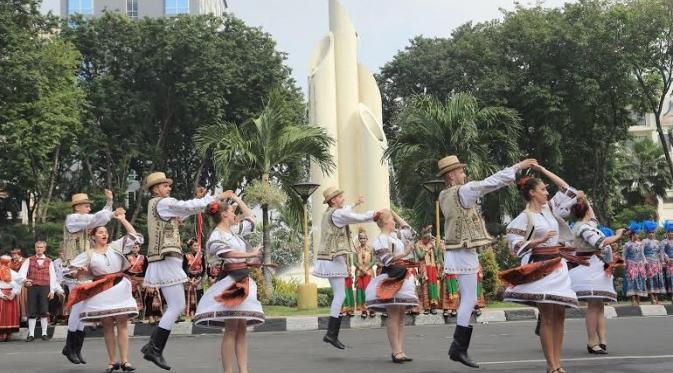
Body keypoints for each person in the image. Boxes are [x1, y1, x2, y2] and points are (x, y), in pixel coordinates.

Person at [437, 155, 538, 368]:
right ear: (452, 175)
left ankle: (459, 347)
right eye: (461, 171)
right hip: (463, 249)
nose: (464, 174)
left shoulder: (444, 194)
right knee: (469, 299)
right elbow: (490, 183)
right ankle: (458, 347)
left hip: (460, 248)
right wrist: (518, 167)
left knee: (469, 298)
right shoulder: (462, 191)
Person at [141, 172, 229, 370]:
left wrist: (200, 200)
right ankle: (154, 348)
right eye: (165, 185)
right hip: (166, 259)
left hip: (165, 259)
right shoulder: (162, 203)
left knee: (176, 305)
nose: (169, 188)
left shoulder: (159, 205)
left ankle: (152, 346)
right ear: (156, 189)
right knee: (176, 305)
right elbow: (185, 207)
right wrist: (215, 198)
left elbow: (183, 212)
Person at [501, 165, 580, 373]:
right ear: (532, 193)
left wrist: (542, 170)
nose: (547, 192)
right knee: (547, 315)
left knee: (560, 315)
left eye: (546, 189)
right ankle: (551, 365)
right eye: (543, 189)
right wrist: (538, 241)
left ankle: (558, 364)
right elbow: (514, 245)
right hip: (542, 267)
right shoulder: (525, 216)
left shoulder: (549, 209)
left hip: (558, 265)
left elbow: (568, 190)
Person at [193, 192, 264, 373]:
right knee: (232, 327)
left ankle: (243, 370)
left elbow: (251, 219)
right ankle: (228, 371)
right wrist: (251, 254)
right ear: (224, 215)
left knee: (241, 327)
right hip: (230, 280)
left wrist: (238, 199)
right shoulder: (217, 236)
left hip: (242, 278)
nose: (235, 215)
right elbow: (227, 254)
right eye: (232, 212)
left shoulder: (232, 232)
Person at [67, 209, 142, 372]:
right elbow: (71, 271)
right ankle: (111, 361)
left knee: (122, 324)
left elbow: (134, 236)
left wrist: (122, 219)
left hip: (119, 286)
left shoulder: (115, 246)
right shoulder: (88, 254)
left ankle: (125, 361)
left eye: (106, 232)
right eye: (101, 232)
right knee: (107, 325)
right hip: (101, 289)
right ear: (93, 236)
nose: (104, 234)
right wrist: (79, 271)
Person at [313, 186, 377, 350]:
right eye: (340, 197)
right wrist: (375, 215)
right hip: (334, 258)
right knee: (340, 295)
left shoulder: (329, 212)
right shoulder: (338, 214)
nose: (343, 199)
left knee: (339, 295)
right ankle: (331, 333)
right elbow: (356, 218)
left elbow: (347, 211)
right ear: (333, 200)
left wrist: (355, 203)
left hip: (329, 257)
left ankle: (332, 334)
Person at [61, 190, 115, 364]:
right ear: (77, 207)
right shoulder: (73, 219)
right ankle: (71, 347)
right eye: (86, 205)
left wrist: (109, 205)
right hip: (74, 269)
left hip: (85, 269)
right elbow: (96, 219)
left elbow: (97, 221)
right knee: (78, 308)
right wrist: (110, 208)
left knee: (84, 308)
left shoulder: (85, 223)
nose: (89, 207)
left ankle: (74, 348)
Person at [568, 197, 624, 354]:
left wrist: (585, 200)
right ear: (585, 212)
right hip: (589, 270)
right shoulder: (583, 228)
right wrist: (618, 235)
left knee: (599, 306)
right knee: (593, 306)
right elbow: (600, 242)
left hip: (596, 269)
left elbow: (593, 218)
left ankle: (602, 339)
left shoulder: (587, 225)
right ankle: (592, 341)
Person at [365, 209, 418, 363]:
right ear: (386, 222)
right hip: (391, 276)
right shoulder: (380, 239)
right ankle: (396, 352)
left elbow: (411, 231)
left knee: (401, 316)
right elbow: (387, 260)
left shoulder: (395, 237)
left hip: (402, 275)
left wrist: (393, 213)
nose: (395, 222)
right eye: (392, 219)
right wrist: (406, 252)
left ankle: (400, 350)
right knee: (394, 315)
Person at [18, 240, 63, 342]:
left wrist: (52, 291)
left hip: (45, 287)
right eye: (37, 247)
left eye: (41, 247)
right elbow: (21, 274)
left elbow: (53, 277)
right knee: (32, 310)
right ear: (35, 248)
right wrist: (25, 280)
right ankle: (31, 334)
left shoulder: (49, 261)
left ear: (44, 249)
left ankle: (44, 333)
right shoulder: (29, 260)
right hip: (32, 288)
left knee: (44, 311)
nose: (39, 249)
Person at [414, 226, 440, 314]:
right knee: (425, 287)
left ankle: (433, 306)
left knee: (433, 285)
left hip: (432, 267)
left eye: (429, 238)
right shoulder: (417, 244)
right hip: (423, 267)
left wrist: (434, 246)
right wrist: (426, 249)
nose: (428, 240)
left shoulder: (431, 244)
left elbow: (436, 255)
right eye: (427, 238)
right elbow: (420, 256)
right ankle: (427, 307)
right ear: (423, 237)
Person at [642, 220, 666, 304]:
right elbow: (641, 252)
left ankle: (656, 296)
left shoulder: (657, 242)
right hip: (648, 263)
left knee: (657, 279)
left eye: (652, 232)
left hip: (657, 263)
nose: (651, 234)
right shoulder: (644, 241)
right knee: (650, 279)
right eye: (649, 232)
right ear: (647, 233)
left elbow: (661, 252)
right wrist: (644, 261)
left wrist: (663, 260)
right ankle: (652, 296)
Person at [623, 222, 648, 306]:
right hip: (631, 265)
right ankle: (633, 299)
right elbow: (624, 255)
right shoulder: (627, 244)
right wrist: (624, 263)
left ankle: (638, 299)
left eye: (638, 234)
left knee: (639, 281)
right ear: (632, 235)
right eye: (636, 234)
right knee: (632, 281)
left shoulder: (640, 244)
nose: (638, 235)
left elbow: (642, 254)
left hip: (640, 265)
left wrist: (645, 262)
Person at [354, 228, 375, 318]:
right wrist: (361, 268)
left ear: (367, 239)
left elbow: (373, 260)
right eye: (361, 238)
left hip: (369, 272)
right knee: (361, 292)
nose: (362, 240)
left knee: (369, 291)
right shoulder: (356, 249)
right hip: (359, 273)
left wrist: (367, 268)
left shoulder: (371, 248)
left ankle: (371, 309)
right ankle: (364, 310)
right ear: (359, 239)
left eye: (364, 238)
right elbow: (354, 261)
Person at [0, 255, 22, 342]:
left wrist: (13, 293)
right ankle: (1, 333)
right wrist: (1, 295)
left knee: (10, 314)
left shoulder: (13, 273)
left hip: (10, 295)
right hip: (2, 294)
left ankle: (9, 333)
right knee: (2, 314)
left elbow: (18, 284)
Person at [183, 238, 206, 320]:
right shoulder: (186, 256)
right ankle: (191, 312)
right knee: (189, 295)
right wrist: (189, 280)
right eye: (194, 245)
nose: (196, 247)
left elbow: (204, 268)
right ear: (190, 247)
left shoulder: (201, 255)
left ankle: (198, 312)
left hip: (198, 279)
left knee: (199, 294)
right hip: (189, 279)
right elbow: (183, 268)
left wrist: (199, 279)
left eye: (197, 245)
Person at [125, 243, 146, 321]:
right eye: (133, 247)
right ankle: (132, 315)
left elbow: (145, 268)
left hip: (141, 279)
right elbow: (125, 269)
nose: (135, 249)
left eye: (136, 247)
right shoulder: (128, 258)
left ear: (139, 248)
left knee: (141, 296)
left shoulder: (143, 258)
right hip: (131, 279)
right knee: (132, 297)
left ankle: (141, 314)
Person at [9, 248, 28, 324]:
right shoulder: (10, 262)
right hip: (13, 283)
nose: (14, 256)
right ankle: (16, 318)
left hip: (23, 283)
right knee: (14, 300)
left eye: (15, 254)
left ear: (19, 254)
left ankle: (24, 318)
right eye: (12, 255)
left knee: (23, 300)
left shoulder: (25, 261)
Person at [660, 221, 673, 300]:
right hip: (669, 263)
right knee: (670, 278)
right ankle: (671, 295)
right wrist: (664, 260)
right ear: (667, 232)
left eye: (672, 231)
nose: (671, 233)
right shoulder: (664, 242)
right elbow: (662, 252)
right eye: (669, 231)